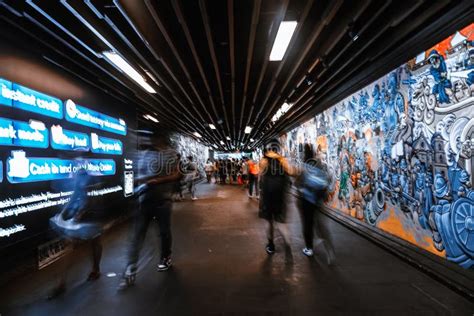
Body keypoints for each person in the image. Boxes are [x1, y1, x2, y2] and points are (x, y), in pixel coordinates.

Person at [119, 132, 180, 289]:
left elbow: (176, 174)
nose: (149, 141)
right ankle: (131, 266)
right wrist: (138, 182)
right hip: (145, 199)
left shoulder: (170, 154)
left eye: (153, 138)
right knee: (138, 233)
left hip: (163, 200)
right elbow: (138, 175)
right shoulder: (144, 155)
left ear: (160, 138)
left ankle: (165, 257)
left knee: (164, 232)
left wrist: (158, 180)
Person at [48, 168, 103, 298]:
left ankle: (95, 270)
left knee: (95, 243)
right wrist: (62, 214)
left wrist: (79, 214)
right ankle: (62, 283)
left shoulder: (90, 180)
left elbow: (91, 199)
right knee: (76, 244)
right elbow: (74, 198)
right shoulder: (80, 179)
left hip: (92, 217)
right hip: (86, 219)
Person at [296, 143, 335, 264]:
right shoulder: (320, 164)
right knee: (321, 225)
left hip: (306, 201)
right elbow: (328, 179)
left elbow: (299, 184)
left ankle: (309, 248)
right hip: (318, 200)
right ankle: (329, 250)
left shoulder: (304, 166)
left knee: (307, 224)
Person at [259, 139, 292, 254]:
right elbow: (290, 175)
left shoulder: (264, 160)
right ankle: (287, 242)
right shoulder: (283, 160)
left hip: (268, 195)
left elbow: (261, 178)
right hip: (280, 195)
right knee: (281, 222)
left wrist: (260, 192)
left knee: (269, 221)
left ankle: (271, 245)